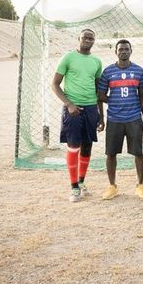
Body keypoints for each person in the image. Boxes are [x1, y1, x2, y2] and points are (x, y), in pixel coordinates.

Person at [51, 28, 103, 202]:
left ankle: (81, 182)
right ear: (79, 39)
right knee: (74, 146)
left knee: (87, 146)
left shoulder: (96, 61)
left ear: (94, 41)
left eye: (91, 38)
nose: (88, 40)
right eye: (85, 37)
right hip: (73, 109)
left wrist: (100, 114)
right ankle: (73, 186)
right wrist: (69, 104)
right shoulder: (68, 58)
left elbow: (97, 90)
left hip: (90, 109)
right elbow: (55, 85)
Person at [96, 39, 143, 200]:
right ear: (116, 52)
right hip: (114, 118)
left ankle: (140, 185)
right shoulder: (108, 72)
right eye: (120, 49)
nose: (123, 52)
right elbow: (100, 96)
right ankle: (112, 186)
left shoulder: (139, 71)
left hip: (134, 118)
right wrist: (103, 115)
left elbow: (142, 96)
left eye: (126, 49)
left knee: (138, 152)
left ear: (131, 51)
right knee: (111, 153)